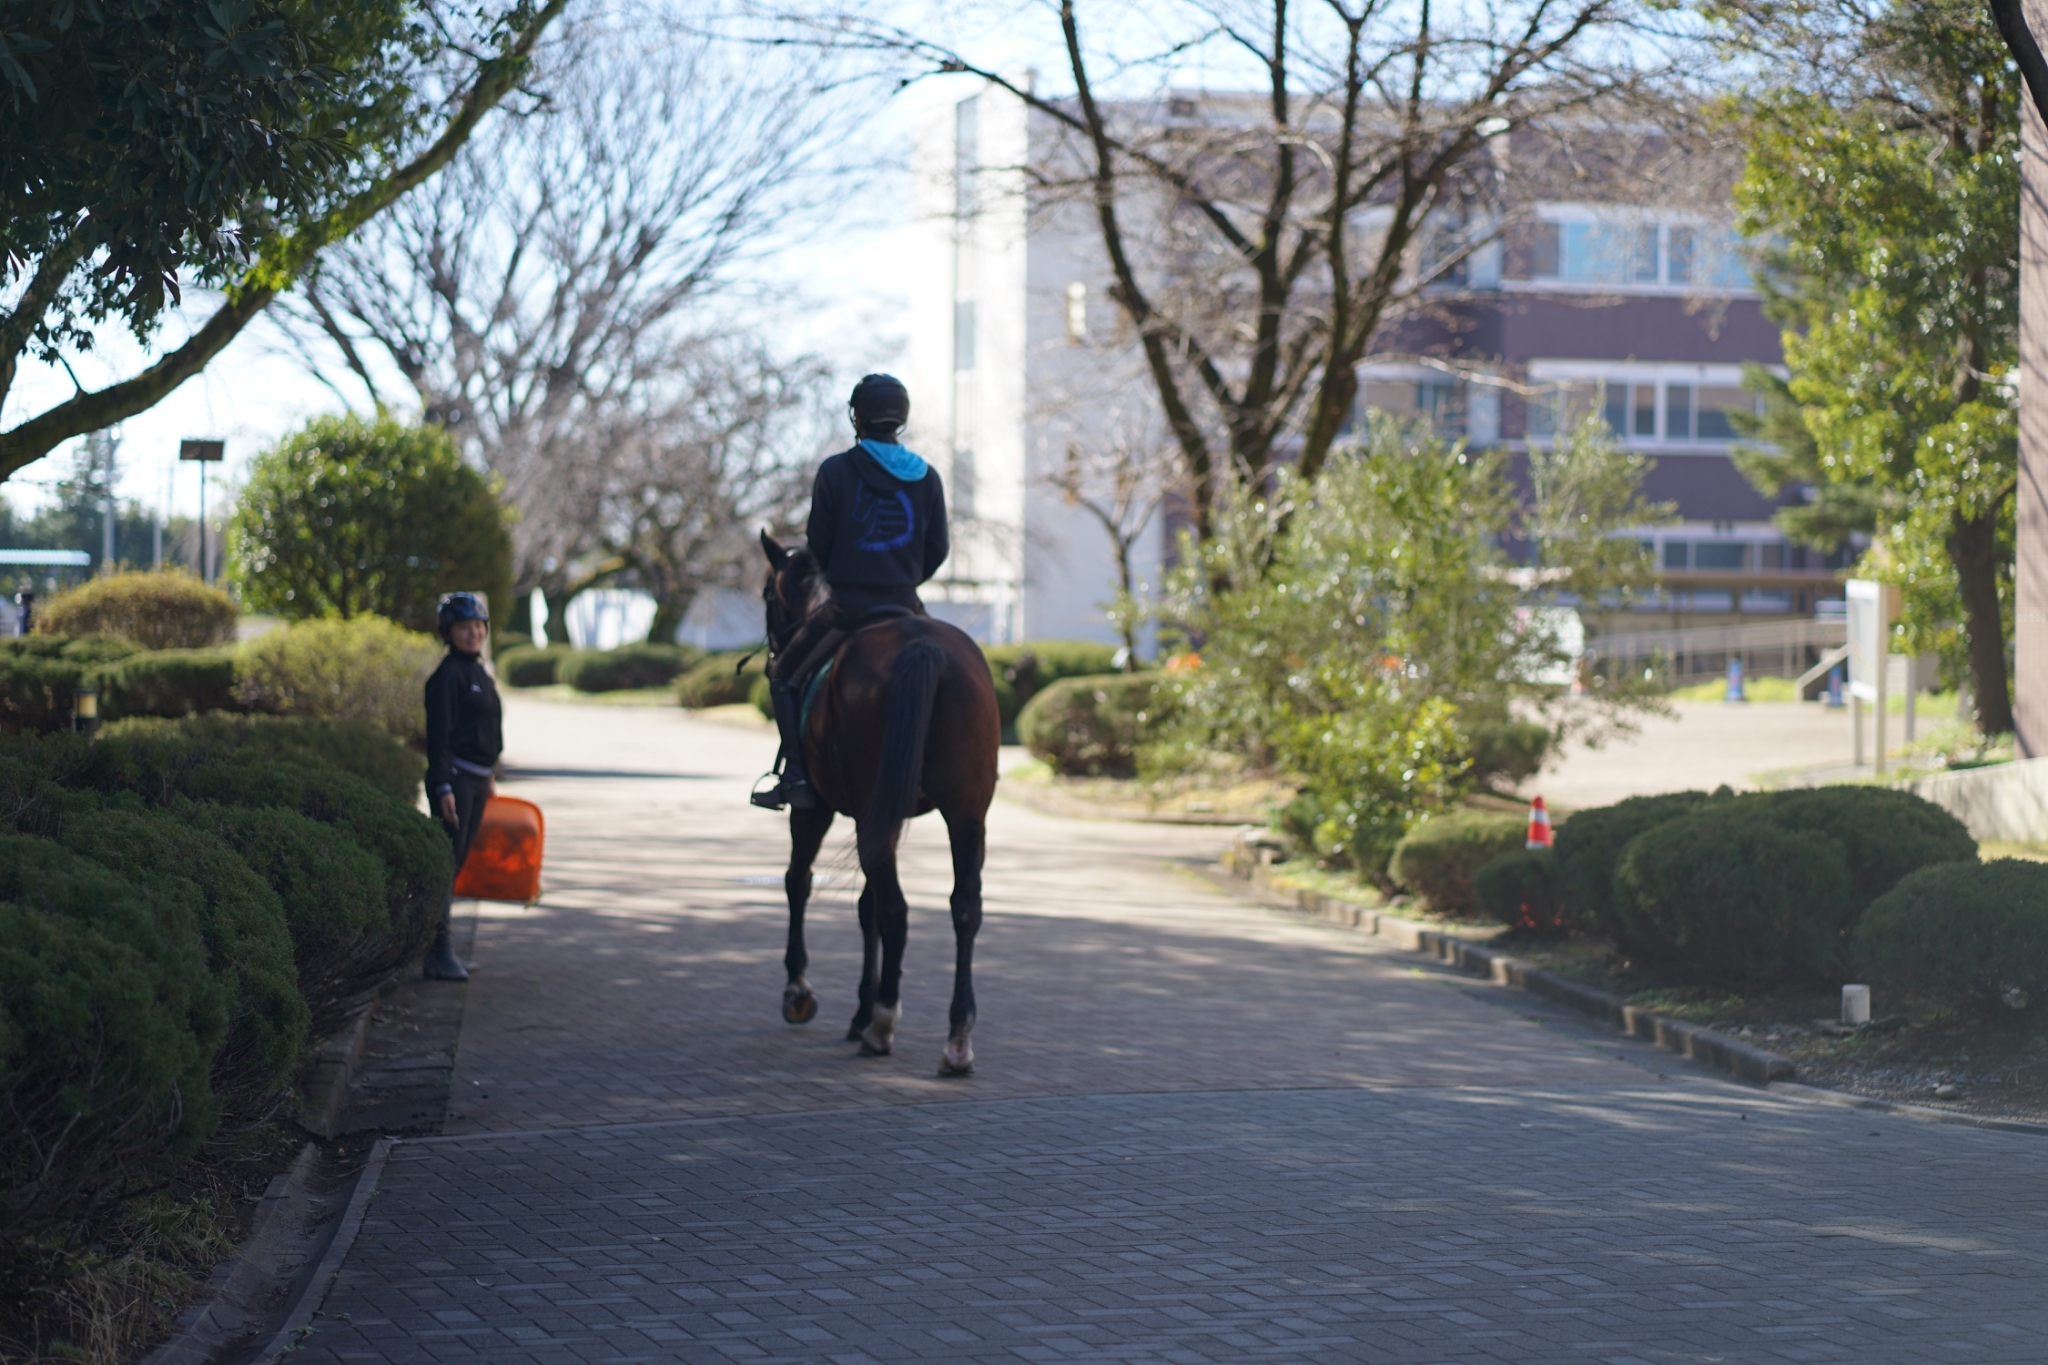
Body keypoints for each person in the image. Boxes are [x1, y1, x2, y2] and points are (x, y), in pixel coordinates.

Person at [753, 373, 948, 810]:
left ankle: (795, 777)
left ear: (857, 417)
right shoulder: (927, 476)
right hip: (906, 603)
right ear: (901, 418)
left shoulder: (836, 470)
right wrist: (904, 579)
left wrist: (847, 575)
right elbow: (938, 548)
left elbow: (818, 544)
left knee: (783, 674)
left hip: (848, 608)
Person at [423, 591, 502, 980]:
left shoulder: (478, 671)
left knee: (456, 866)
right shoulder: (447, 676)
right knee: (446, 868)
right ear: (448, 632)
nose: (473, 633)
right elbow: (439, 737)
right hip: (455, 781)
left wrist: (489, 774)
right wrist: (442, 787)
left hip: (477, 779)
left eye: (478, 626)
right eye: (463, 627)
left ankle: (442, 950)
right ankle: (437, 952)